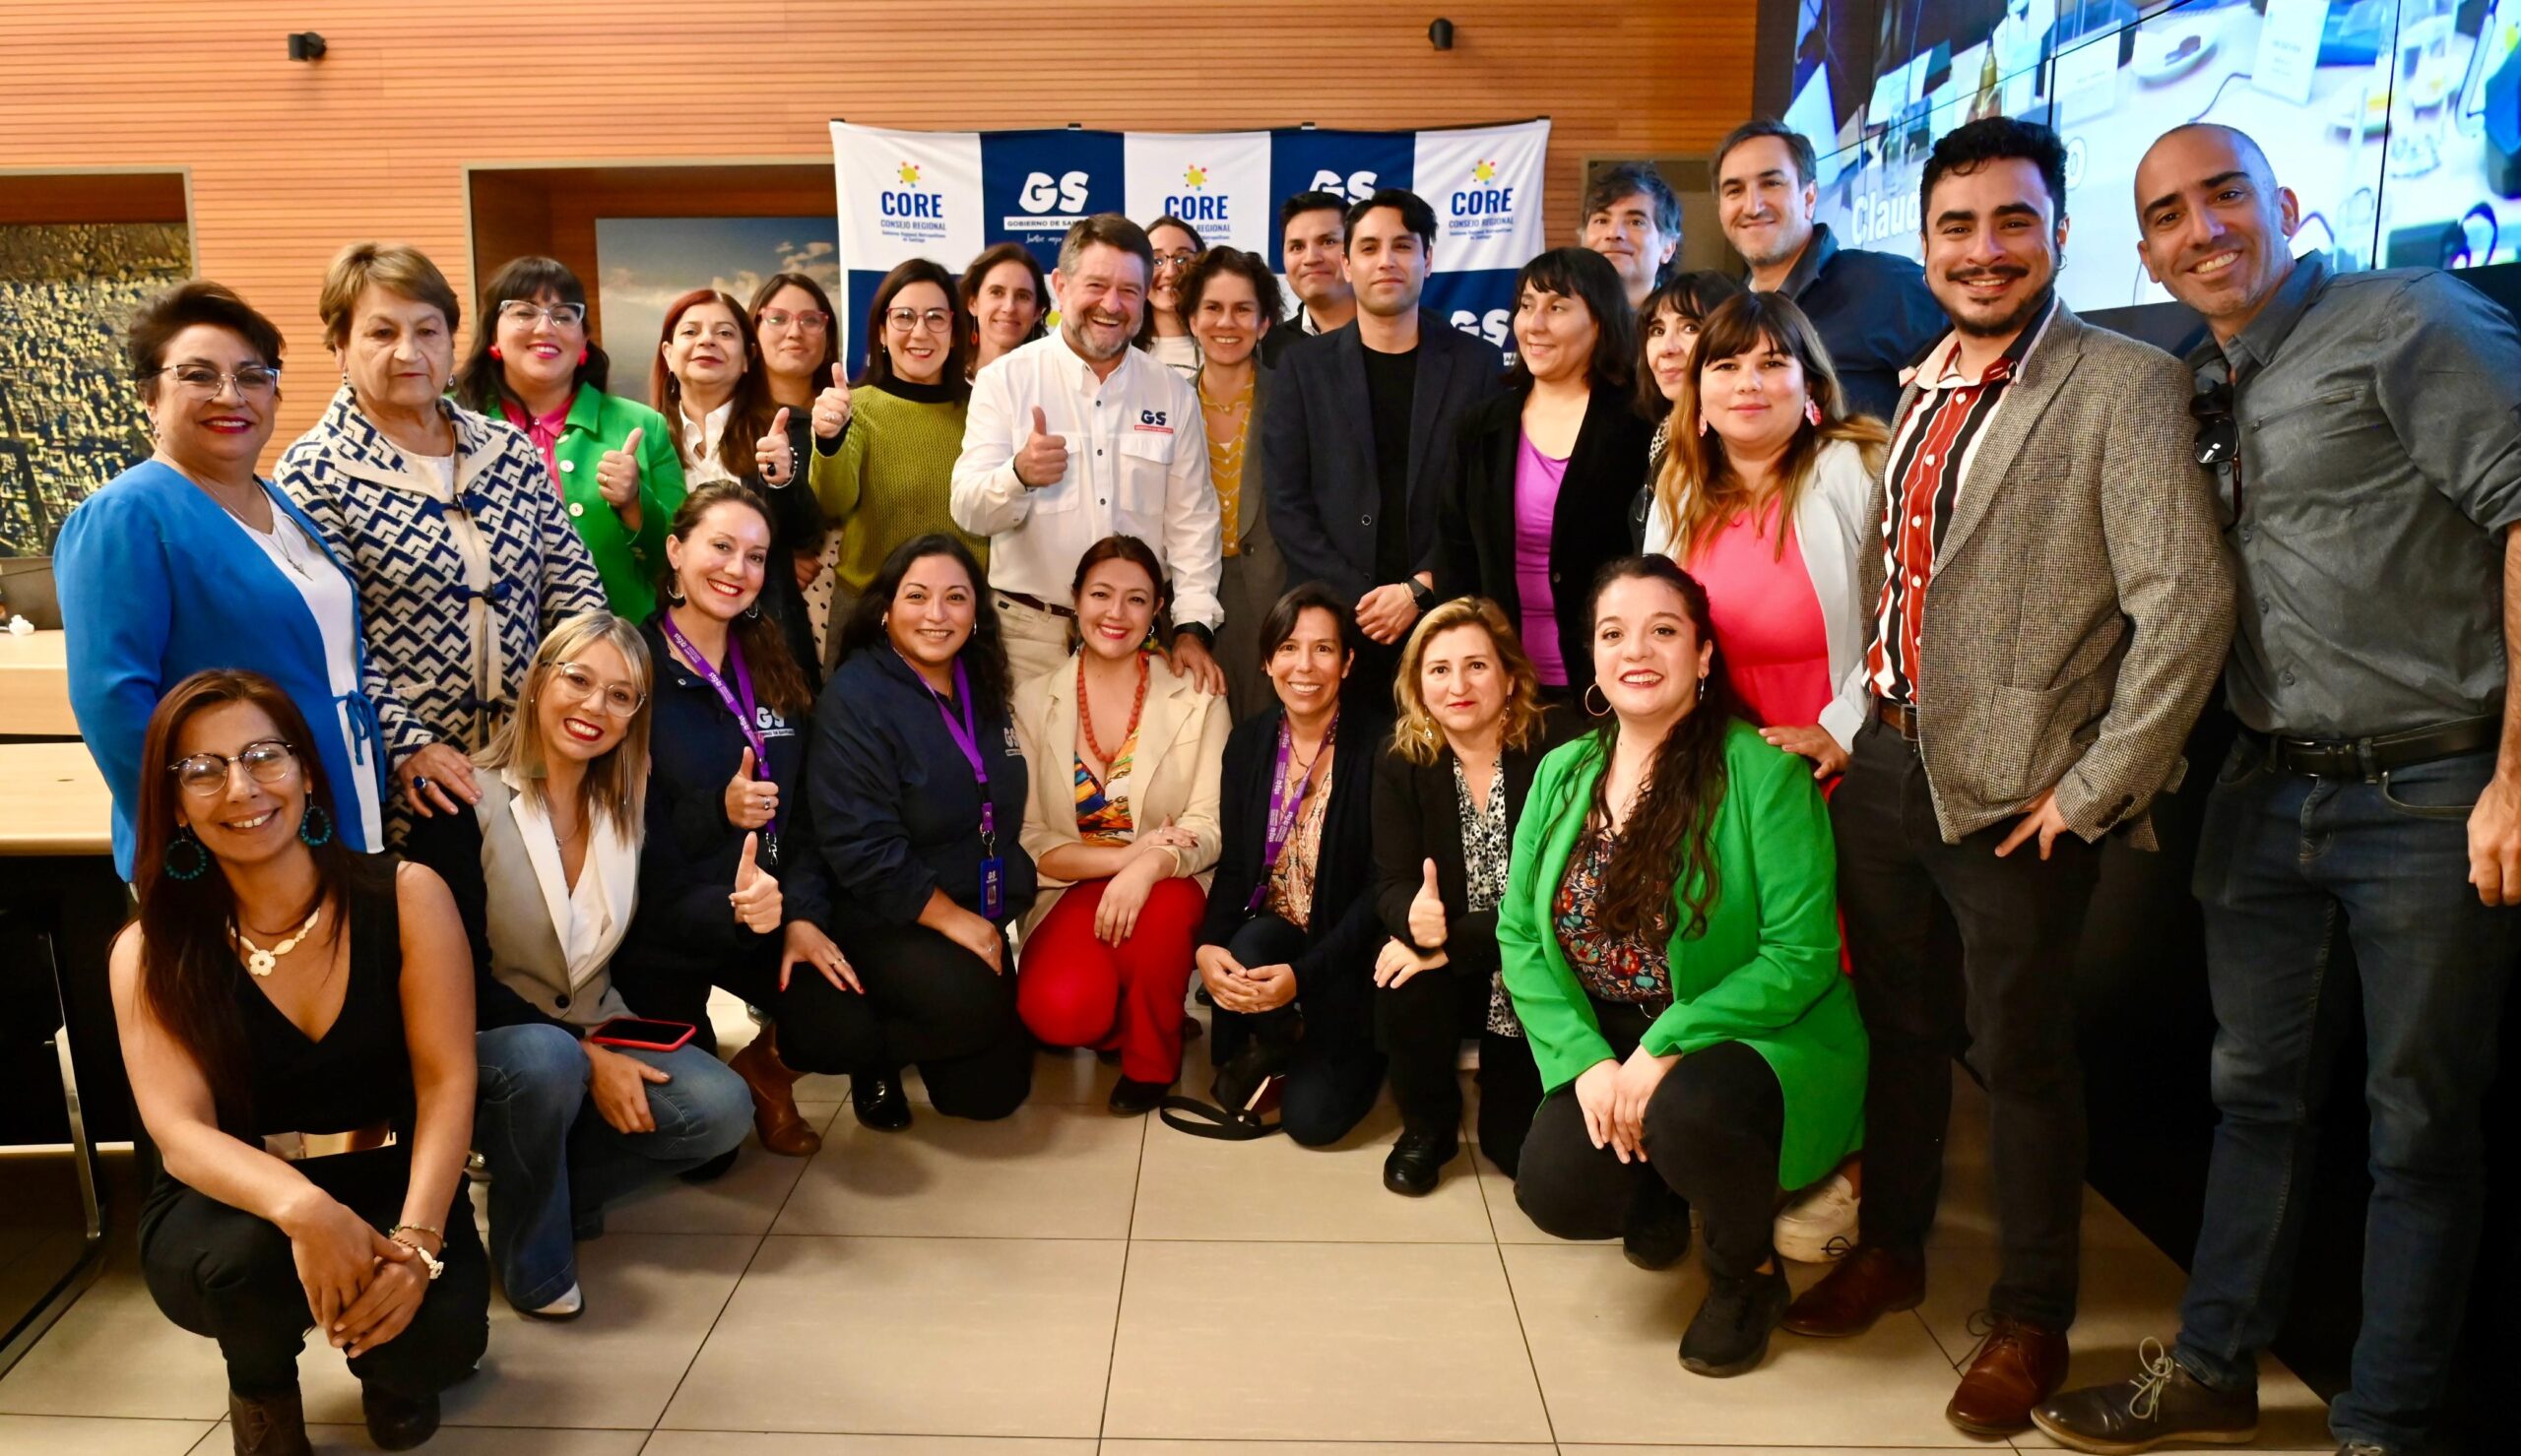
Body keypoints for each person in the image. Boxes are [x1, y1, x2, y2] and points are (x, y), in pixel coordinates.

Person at [2033, 123, 2521, 1456]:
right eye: (2169, 214)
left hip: (2431, 789)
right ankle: (2213, 1364)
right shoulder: (2198, 382)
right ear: (2145, 252)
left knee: (2418, 1127)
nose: (2202, 230)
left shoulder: (2407, 321)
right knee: (2252, 1101)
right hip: (2262, 792)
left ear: (2285, 201)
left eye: (2225, 196)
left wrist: (2513, 777)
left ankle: (2384, 1422)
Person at [1778, 118, 2233, 1438]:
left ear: (2060, 232)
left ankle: (2032, 1314)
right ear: (1925, 246)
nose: (1984, 251)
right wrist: (1852, 722)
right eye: (1958, 227)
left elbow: (2188, 600)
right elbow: (1902, 588)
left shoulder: (2123, 384)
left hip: (2020, 796)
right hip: (1885, 766)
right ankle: (1895, 1246)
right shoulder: (1919, 383)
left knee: (2021, 1061)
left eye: (2012, 221)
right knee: (1901, 1034)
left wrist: (2096, 787)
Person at [1507, 557, 1863, 1379]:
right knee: (1555, 1188)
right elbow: (1519, 936)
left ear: (1702, 654)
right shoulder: (1564, 770)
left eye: (1662, 630)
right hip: (1615, 1032)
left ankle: (1747, 1274)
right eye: (1614, 633)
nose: (1636, 650)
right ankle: (1668, 1182)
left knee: (1689, 1113)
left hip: (1753, 1030)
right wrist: (1587, 1062)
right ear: (1594, 659)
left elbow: (1801, 954)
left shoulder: (1763, 771)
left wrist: (1665, 1045)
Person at [115, 670, 485, 1454]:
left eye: (263, 756)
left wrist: (418, 1243)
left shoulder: (409, 896)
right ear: (174, 802)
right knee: (244, 1268)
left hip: (390, 1174)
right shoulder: (150, 950)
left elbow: (447, 1080)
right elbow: (180, 1132)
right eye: (203, 769)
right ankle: (262, 1388)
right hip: (236, 1196)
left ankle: (390, 1370)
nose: (241, 788)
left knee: (437, 1346)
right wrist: (305, 1208)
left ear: (308, 770)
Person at [401, 614, 754, 1321]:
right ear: (538, 682)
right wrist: (587, 1057)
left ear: (635, 716)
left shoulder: (629, 802)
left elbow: (667, 908)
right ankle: (534, 1261)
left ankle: (539, 1180)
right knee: (547, 1059)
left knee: (721, 1111)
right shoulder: (462, 800)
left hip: (598, 1021)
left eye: (620, 696)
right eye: (579, 680)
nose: (596, 706)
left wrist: (739, 908)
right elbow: (453, 977)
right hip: (492, 1035)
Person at [59, 281, 390, 881]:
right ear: (150, 396)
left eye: (252, 376)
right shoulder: (126, 514)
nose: (230, 395)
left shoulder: (281, 503)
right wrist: (198, 820)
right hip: (230, 836)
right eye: (198, 375)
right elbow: (112, 701)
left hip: (327, 809)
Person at [276, 242, 607, 834]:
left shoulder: (508, 450)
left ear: (452, 344)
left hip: (534, 761)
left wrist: (580, 698)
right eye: (382, 333)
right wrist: (408, 744)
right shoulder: (313, 472)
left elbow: (573, 584)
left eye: (428, 331)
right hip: (406, 786)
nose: (409, 352)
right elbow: (331, 639)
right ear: (340, 348)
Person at [609, 484, 858, 1161]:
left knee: (846, 1016)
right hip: (665, 924)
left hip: (764, 911)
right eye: (720, 546)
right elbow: (617, 829)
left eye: (755, 556)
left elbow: (804, 812)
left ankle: (762, 1076)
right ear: (674, 550)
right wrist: (715, 811)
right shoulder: (631, 665)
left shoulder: (773, 660)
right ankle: (708, 1067)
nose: (736, 569)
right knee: (705, 1156)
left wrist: (801, 913)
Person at [807, 534, 1038, 1127]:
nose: (937, 614)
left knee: (992, 1097)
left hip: (969, 902)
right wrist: (956, 922)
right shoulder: (857, 696)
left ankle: (914, 1021)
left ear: (976, 612)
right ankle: (844, 1052)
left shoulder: (980, 682)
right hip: (883, 913)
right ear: (885, 609)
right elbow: (861, 847)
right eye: (917, 596)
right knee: (969, 1007)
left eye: (955, 597)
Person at [949, 214, 1226, 694]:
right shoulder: (1005, 380)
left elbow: (1193, 524)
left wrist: (1192, 627)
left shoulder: (1173, 393)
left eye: (1129, 290)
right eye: (1096, 285)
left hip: (1138, 637)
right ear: (1060, 285)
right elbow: (968, 510)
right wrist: (1018, 475)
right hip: (1029, 641)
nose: (1111, 305)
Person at [1262, 189, 1507, 702]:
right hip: (1337, 624)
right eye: (1369, 248)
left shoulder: (1477, 366)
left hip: (1447, 618)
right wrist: (1364, 600)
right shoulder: (1302, 369)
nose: (1386, 261)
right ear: (1347, 264)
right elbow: (1287, 504)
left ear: (1428, 259)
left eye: (1403, 246)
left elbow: (1487, 499)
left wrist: (1420, 589)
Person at [1012, 536, 1229, 1115]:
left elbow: (1208, 823)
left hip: (1171, 878)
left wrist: (1149, 865)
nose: (1116, 613)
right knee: (1059, 1014)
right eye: (1101, 594)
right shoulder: (1031, 701)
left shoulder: (1198, 696)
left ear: (1158, 608)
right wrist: (1123, 860)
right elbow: (1030, 836)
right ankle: (1121, 1019)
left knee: (1164, 914)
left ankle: (1151, 1061)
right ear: (1075, 599)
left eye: (1136, 599)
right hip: (1072, 881)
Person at [1645, 290, 1884, 777]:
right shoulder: (1678, 486)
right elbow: (1651, 623)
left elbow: (1908, 617)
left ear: (1810, 384)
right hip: (1712, 767)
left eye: (1772, 364)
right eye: (1726, 366)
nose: (1747, 384)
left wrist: (1845, 730)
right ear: (1698, 391)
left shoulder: (1855, 467)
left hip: (1837, 764)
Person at [1371, 598, 1556, 1194]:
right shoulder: (1401, 759)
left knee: (1514, 1150)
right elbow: (1391, 881)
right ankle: (1428, 1126)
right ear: (1418, 686)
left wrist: (1451, 939)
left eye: (1476, 665)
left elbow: (1559, 902)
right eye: (1439, 669)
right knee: (1401, 967)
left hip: (1535, 960)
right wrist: (1413, 916)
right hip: (1452, 967)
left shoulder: (1556, 751)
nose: (1458, 686)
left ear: (1510, 676)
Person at [1195, 583, 1390, 1146]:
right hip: (1278, 934)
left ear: (1347, 663)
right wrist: (1206, 947)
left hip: (1350, 952)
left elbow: (1379, 890)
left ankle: (1348, 1044)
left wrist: (1304, 977)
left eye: (1323, 649)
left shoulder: (1381, 746)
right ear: (1266, 660)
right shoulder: (1249, 743)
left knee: (1311, 1122)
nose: (1304, 666)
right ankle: (1287, 1035)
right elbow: (1237, 866)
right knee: (1246, 947)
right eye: (1288, 647)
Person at [1433, 246, 1652, 703]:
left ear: (1600, 321)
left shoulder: (1640, 423)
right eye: (1526, 306)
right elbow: (1456, 555)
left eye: (1556, 308)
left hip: (1614, 679)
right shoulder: (1482, 425)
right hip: (1503, 682)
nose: (1534, 324)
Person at [453, 256, 685, 622]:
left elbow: (684, 560)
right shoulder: (452, 424)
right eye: (524, 312)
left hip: (623, 643)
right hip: (495, 643)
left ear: (584, 340)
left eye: (563, 316)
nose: (545, 328)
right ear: (493, 334)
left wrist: (635, 504)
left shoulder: (642, 425)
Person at [808, 259, 984, 670]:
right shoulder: (855, 407)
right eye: (904, 316)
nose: (920, 332)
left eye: (935, 318)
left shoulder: (983, 410)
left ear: (955, 332)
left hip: (961, 621)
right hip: (869, 615)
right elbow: (832, 502)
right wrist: (829, 439)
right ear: (883, 332)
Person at [1714, 118, 1945, 424]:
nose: (1752, 206)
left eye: (1771, 183)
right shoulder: (1727, 317)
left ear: (1809, 197)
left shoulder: (1887, 285)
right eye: (1734, 190)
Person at [651, 286, 823, 682]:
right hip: (667, 640)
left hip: (768, 639)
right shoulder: (643, 436)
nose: (707, 340)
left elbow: (807, 534)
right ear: (668, 354)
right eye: (691, 331)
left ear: (747, 359)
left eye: (725, 333)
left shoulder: (784, 429)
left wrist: (782, 480)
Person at [1181, 245, 1287, 722]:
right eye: (1213, 308)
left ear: (1264, 323)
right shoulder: (1166, 403)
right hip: (1185, 605)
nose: (1227, 322)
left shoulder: (1294, 398)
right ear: (1192, 319)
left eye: (1243, 309)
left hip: (1275, 599)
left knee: (1267, 736)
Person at [747, 271, 849, 676]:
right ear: (754, 330)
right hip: (759, 615)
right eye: (778, 318)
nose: (795, 332)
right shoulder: (730, 419)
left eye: (810, 320)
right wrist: (775, 562)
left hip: (845, 598)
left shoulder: (850, 412)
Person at [1629, 270, 1750, 535]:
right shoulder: (1665, 431)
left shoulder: (1743, 442)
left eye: (1690, 328)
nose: (1667, 347)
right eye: (1657, 331)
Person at [1260, 189, 1357, 365]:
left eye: (1328, 242)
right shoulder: (1268, 351)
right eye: (1297, 247)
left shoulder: (1398, 334)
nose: (1311, 258)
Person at [1579, 161, 1684, 310]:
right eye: (1602, 221)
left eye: (1636, 222)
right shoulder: (1555, 318)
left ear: (1668, 248)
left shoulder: (1692, 319)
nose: (1613, 233)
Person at [960, 242, 1049, 378]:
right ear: (972, 303)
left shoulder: (1052, 384)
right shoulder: (944, 380)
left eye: (1022, 296)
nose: (1009, 307)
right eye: (996, 292)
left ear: (1037, 311)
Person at [1135, 215, 1205, 377]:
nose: (1170, 272)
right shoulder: (1119, 349)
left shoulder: (1223, 347)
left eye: (1182, 260)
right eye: (1157, 261)